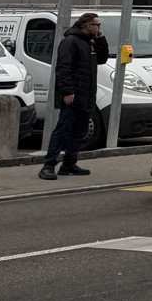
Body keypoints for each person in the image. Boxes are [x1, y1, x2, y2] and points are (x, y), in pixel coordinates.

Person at [39, 12, 103, 181]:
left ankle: (69, 164)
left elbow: (102, 58)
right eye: (97, 25)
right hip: (73, 95)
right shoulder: (70, 42)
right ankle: (48, 166)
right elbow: (63, 68)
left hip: (87, 94)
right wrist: (68, 91)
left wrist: (100, 39)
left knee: (79, 130)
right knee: (63, 129)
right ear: (87, 26)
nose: (99, 27)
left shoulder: (89, 42)